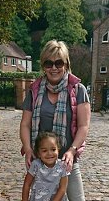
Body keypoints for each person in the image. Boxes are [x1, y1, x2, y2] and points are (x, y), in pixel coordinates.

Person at [20, 39, 91, 201]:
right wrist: (28, 149)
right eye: (48, 63)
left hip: (67, 161)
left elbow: (83, 126)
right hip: (42, 162)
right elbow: (25, 124)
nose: (53, 68)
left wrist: (72, 151)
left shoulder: (78, 90)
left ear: (66, 64)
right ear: (43, 66)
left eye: (58, 63)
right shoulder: (35, 91)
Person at [22, 131, 69, 201]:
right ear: (38, 153)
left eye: (53, 150)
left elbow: (62, 188)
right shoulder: (35, 165)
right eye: (44, 151)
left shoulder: (62, 166)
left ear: (58, 149)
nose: (49, 153)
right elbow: (27, 184)